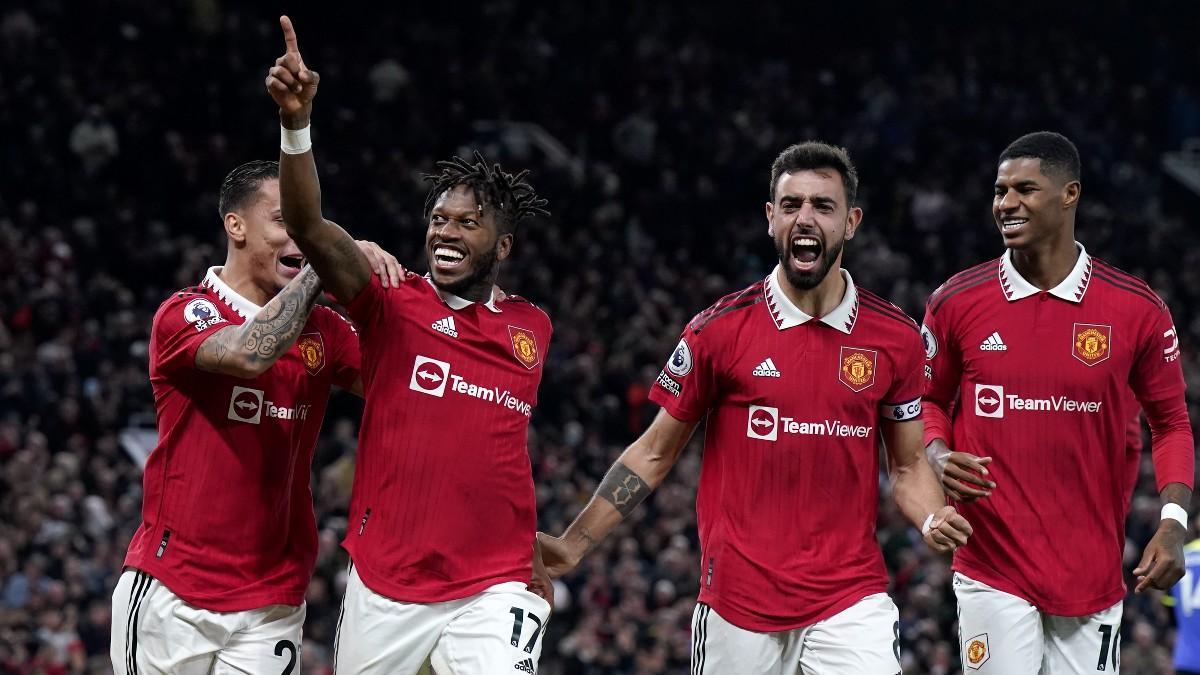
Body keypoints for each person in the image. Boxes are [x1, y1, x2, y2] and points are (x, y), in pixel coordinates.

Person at [539, 141, 973, 674]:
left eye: (823, 206)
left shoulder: (895, 338)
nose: (805, 219)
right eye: (791, 205)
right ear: (771, 218)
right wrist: (573, 544)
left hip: (849, 598)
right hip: (737, 604)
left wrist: (932, 515)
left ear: (852, 221)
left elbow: (906, 466)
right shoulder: (718, 331)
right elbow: (653, 453)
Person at [265, 16, 555, 674]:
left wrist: (530, 558)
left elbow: (499, 449)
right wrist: (296, 123)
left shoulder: (532, 328)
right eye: (437, 219)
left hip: (493, 584)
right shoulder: (390, 299)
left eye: (467, 223)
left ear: (503, 246)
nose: (445, 233)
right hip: (387, 582)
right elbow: (308, 226)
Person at [110, 160, 403, 673]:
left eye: (311, 223)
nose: (305, 235)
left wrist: (375, 293)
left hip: (272, 600)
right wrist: (321, 263)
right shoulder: (184, 313)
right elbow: (250, 353)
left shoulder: (324, 331)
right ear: (236, 225)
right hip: (174, 588)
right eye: (287, 221)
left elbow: (406, 381)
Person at [922, 131, 1194, 673]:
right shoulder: (957, 302)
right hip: (990, 562)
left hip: (1089, 570)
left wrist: (1172, 520)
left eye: (1025, 189)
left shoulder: (1136, 310)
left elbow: (1171, 425)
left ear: (1070, 194)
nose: (1006, 203)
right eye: (1000, 191)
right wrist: (936, 455)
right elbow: (926, 400)